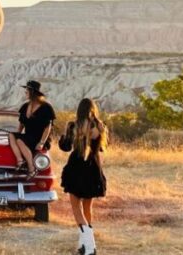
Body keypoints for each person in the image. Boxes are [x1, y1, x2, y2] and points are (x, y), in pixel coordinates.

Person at [59, 98, 108, 255]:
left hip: (76, 168)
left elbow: (65, 147)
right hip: (93, 168)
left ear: (79, 110)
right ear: (93, 109)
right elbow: (101, 148)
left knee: (76, 208)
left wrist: (62, 137)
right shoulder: (99, 127)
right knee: (87, 207)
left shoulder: (73, 126)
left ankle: (90, 246)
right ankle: (84, 244)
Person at [8, 80, 56, 179]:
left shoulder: (46, 107)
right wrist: (18, 133)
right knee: (12, 136)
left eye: (27, 90)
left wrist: (42, 142)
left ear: (32, 92)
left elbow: (48, 127)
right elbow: (21, 123)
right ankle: (20, 160)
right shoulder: (25, 106)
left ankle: (31, 168)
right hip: (28, 136)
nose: (25, 92)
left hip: (39, 138)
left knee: (20, 141)